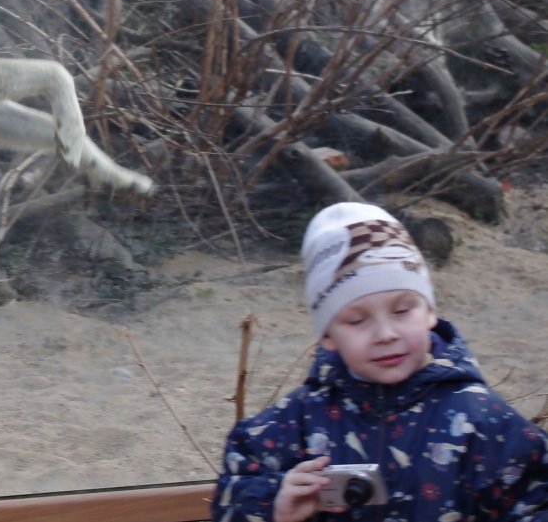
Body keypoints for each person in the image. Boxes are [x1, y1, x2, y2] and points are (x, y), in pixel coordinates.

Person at [212, 202, 548, 522]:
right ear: (327, 335)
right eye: (357, 320)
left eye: (402, 310)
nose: (385, 333)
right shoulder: (294, 424)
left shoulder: (484, 422)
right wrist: (274, 504)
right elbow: (231, 498)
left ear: (430, 312)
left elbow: (535, 500)